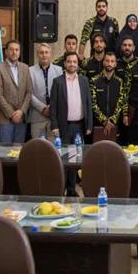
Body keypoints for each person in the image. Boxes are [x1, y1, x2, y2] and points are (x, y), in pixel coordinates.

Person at [50, 51, 93, 194]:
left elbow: (88, 103)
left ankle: (71, 189)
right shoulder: (57, 82)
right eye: (69, 61)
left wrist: (89, 124)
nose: (72, 64)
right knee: (62, 159)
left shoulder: (84, 81)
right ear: (65, 63)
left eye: (74, 62)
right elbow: (53, 106)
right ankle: (61, 188)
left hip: (79, 126)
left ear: (78, 64)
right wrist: (54, 126)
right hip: (63, 126)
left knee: (75, 159)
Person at [0, 39, 32, 144]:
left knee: (18, 150)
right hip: (5, 119)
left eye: (17, 50)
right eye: (11, 49)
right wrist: (11, 114)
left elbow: (29, 92)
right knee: (5, 151)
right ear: (6, 52)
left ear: (19, 52)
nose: (14, 52)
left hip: (21, 118)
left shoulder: (25, 68)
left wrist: (21, 111)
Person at [88, 50, 126, 144]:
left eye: (112, 61)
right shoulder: (94, 80)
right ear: (103, 62)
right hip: (98, 124)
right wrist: (104, 121)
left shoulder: (120, 82)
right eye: (107, 61)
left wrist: (112, 120)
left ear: (115, 64)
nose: (109, 63)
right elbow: (93, 103)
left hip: (114, 124)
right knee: (98, 150)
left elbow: (121, 102)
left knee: (115, 151)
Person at [29, 43, 63, 140]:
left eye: (46, 52)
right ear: (37, 55)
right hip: (37, 116)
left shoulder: (59, 70)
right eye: (41, 52)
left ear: (50, 54)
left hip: (54, 118)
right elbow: (28, 93)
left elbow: (60, 93)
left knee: (53, 147)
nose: (44, 55)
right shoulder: (30, 71)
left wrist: (51, 108)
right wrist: (42, 108)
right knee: (38, 146)